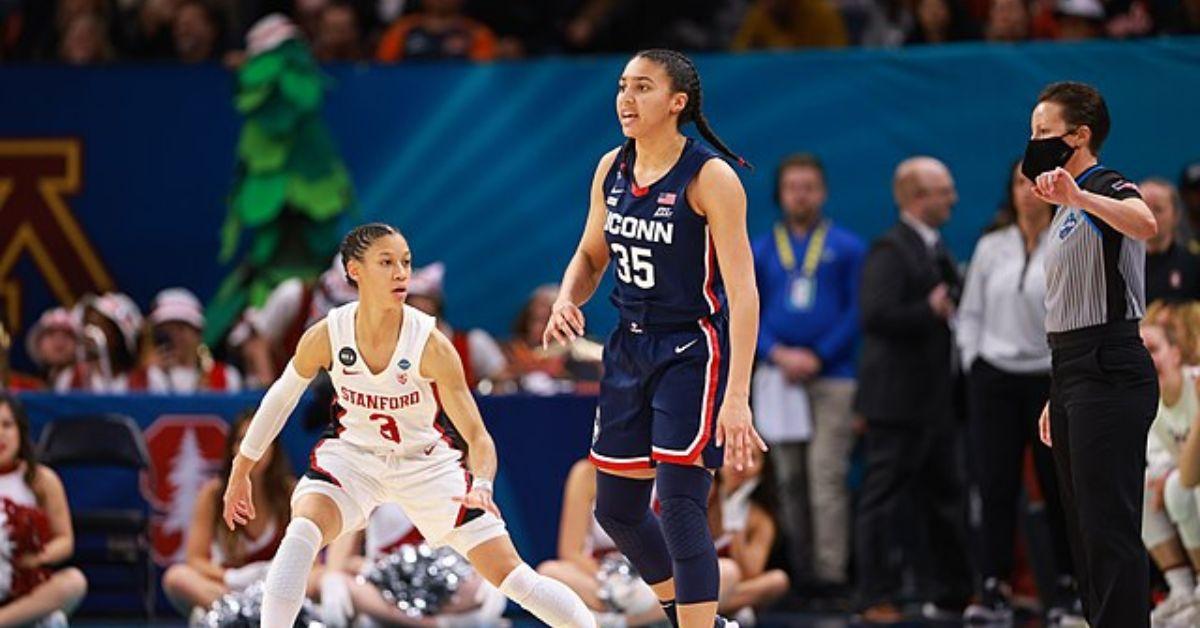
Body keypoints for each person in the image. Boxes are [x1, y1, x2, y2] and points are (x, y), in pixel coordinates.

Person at [221, 223, 594, 628]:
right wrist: (242, 468)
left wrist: (482, 486)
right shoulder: (328, 334)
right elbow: (280, 398)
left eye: (406, 263)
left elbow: (478, 438)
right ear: (354, 271)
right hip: (355, 458)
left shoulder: (431, 344)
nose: (401, 273)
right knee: (303, 530)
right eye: (387, 262)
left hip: (425, 463)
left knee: (514, 577)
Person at [544, 48, 765, 628]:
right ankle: (691, 615)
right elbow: (592, 255)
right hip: (627, 346)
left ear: (676, 102)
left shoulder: (711, 176)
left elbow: (743, 294)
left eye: (642, 87)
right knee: (616, 510)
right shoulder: (611, 167)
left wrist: (737, 396)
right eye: (621, 85)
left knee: (682, 506)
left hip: (690, 349)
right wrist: (569, 297)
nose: (625, 98)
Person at [1026, 81, 1159, 628]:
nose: (1031, 143)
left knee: (1109, 526)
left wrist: (1078, 196)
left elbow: (1146, 222)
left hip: (1111, 365)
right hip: (1073, 370)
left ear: (1078, 136)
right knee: (1082, 528)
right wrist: (1056, 391)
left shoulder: (1104, 185)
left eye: (1042, 132)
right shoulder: (1061, 211)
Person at [956, 161, 1076, 623]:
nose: (1028, 192)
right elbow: (969, 314)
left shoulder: (1068, 241)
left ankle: (1066, 588)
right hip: (995, 378)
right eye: (1019, 183)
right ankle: (993, 587)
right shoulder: (991, 246)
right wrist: (974, 361)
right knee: (995, 484)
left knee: (1058, 483)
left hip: (1049, 376)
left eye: (1035, 182)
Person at [854, 156, 972, 623]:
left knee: (945, 498)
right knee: (882, 500)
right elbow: (875, 314)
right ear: (917, 198)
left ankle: (953, 590)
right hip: (897, 404)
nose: (954, 199)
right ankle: (872, 595)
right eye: (944, 191)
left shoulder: (935, 247)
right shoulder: (891, 249)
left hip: (935, 401)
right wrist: (928, 309)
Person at [751, 153, 864, 591]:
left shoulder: (848, 247)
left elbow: (857, 311)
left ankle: (831, 576)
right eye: (793, 187)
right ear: (780, 194)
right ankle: (799, 575)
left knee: (826, 475)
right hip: (777, 379)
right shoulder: (761, 249)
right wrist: (776, 353)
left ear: (824, 191)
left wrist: (818, 354)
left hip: (833, 377)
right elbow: (747, 308)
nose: (801, 194)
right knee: (789, 478)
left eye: (809, 186)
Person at [162, 410, 299, 618]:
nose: (255, 449)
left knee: (324, 578)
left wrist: (269, 575)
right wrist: (234, 578)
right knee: (176, 577)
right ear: (233, 448)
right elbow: (195, 560)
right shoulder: (214, 494)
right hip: (225, 589)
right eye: (244, 440)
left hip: (277, 591)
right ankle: (240, 612)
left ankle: (250, 611)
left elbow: (312, 564)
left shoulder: (290, 492)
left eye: (263, 439)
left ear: (274, 448)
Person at [318, 502, 508, 627]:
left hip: (449, 593)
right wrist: (382, 571)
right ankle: (432, 625)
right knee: (341, 585)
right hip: (389, 598)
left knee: (482, 587)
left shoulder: (450, 475)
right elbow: (338, 564)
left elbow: (485, 549)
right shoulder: (368, 488)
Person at [0, 394, 88, 626]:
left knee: (74, 581)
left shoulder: (42, 479)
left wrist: (37, 557)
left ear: (21, 430)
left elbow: (65, 541)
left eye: (7, 425)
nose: (0, 434)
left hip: (26, 584)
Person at [1138, 322, 1200, 627]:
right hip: (1188, 480)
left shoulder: (1196, 385)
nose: (1148, 360)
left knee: (1182, 488)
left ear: (1176, 354)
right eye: (1141, 352)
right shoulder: (1149, 403)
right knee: (1141, 491)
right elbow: (1159, 464)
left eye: (1154, 349)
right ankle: (1183, 591)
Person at [146, 288, 243, 393]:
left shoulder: (227, 377)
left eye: (181, 328)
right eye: (166, 330)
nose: (174, 336)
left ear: (198, 333)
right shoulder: (145, 378)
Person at [1141, 178, 1200, 304]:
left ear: (1176, 215)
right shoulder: (1117, 265)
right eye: (1143, 207)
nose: (1149, 215)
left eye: (1158, 209)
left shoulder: (1193, 266)